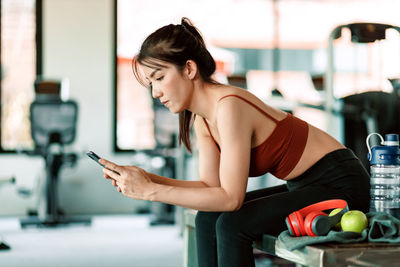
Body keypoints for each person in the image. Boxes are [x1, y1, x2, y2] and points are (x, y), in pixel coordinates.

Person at [100, 17, 370, 267]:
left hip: (341, 185)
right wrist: (148, 179)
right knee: (207, 218)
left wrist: (149, 192)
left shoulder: (229, 106)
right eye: (150, 83)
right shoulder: (201, 120)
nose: (155, 92)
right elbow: (210, 188)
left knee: (232, 223)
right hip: (305, 185)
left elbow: (231, 199)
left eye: (159, 78)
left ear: (190, 69)